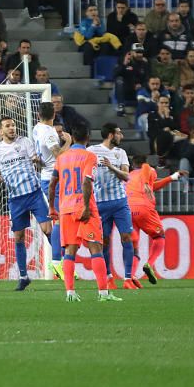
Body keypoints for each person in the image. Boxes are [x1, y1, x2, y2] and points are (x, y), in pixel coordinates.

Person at [48, 122, 120, 303]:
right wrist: (87, 207)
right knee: (96, 248)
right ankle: (103, 293)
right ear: (87, 137)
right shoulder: (89, 156)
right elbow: (87, 182)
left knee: (70, 251)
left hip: (65, 208)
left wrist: (51, 207)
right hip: (84, 208)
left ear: (72, 137)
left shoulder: (61, 158)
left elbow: (52, 184)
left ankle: (70, 293)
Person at [0, 117, 53, 290]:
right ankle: (24, 277)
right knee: (19, 237)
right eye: (7, 126)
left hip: (34, 193)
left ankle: (62, 262)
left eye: (13, 125)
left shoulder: (25, 142)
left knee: (48, 230)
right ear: (0, 131)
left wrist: (38, 160)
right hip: (16, 199)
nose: (11, 128)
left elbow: (37, 160)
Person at [125, 154, 186, 288]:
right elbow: (147, 173)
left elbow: (153, 186)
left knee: (134, 247)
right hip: (144, 208)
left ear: (132, 165)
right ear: (145, 162)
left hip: (128, 210)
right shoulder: (149, 170)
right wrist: (148, 181)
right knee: (159, 236)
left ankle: (129, 278)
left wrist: (171, 178)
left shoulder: (128, 176)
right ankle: (150, 263)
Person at [87, 123, 132, 288]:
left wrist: (111, 167)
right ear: (111, 135)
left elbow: (126, 176)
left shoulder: (121, 153)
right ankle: (108, 277)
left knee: (127, 237)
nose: (122, 136)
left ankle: (128, 278)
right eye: (119, 133)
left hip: (120, 202)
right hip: (100, 203)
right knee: (104, 241)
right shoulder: (92, 151)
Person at [33, 102, 72, 277]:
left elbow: (39, 156)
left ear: (38, 114)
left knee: (58, 220)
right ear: (54, 115)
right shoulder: (48, 133)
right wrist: (69, 142)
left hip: (45, 177)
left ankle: (60, 260)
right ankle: (57, 261)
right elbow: (59, 155)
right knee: (59, 220)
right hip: (53, 179)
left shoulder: (36, 128)